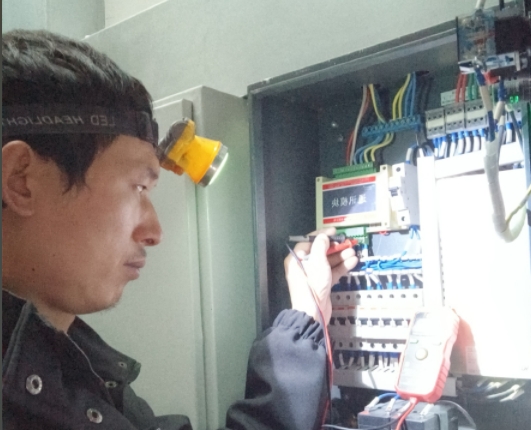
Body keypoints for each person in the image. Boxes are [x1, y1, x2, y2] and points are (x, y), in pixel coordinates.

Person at [2, 29, 358, 430]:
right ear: (22, 180)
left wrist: (304, 318)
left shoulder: (69, 366)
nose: (154, 232)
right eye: (138, 187)